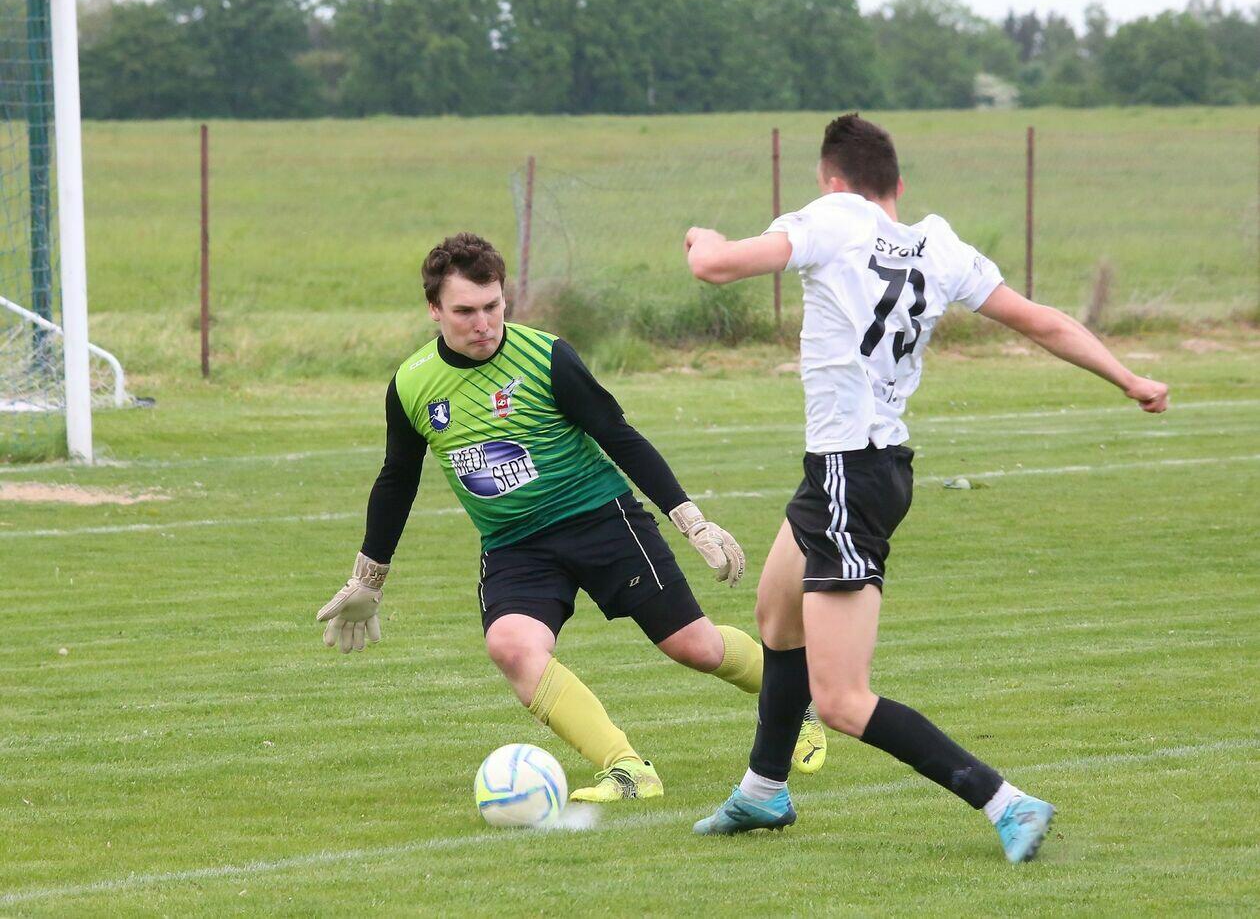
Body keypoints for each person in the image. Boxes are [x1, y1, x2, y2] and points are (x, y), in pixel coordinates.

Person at [683, 114, 1169, 861]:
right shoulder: (937, 244)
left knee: (842, 699)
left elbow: (716, 267)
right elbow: (1039, 321)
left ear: (832, 181)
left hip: (849, 476)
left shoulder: (830, 218)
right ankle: (762, 790)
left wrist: (702, 238)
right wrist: (1128, 377)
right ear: (898, 186)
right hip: (861, 471)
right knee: (777, 616)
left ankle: (1005, 801)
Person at [314, 232, 823, 801]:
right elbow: (397, 480)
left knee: (695, 647)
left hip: (600, 520)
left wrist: (691, 520)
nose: (483, 323)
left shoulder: (546, 356)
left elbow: (618, 435)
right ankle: (628, 770)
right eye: (465, 312)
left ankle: (798, 698)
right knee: (511, 646)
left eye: (493, 306)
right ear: (434, 309)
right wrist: (369, 577)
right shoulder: (411, 384)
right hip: (513, 544)